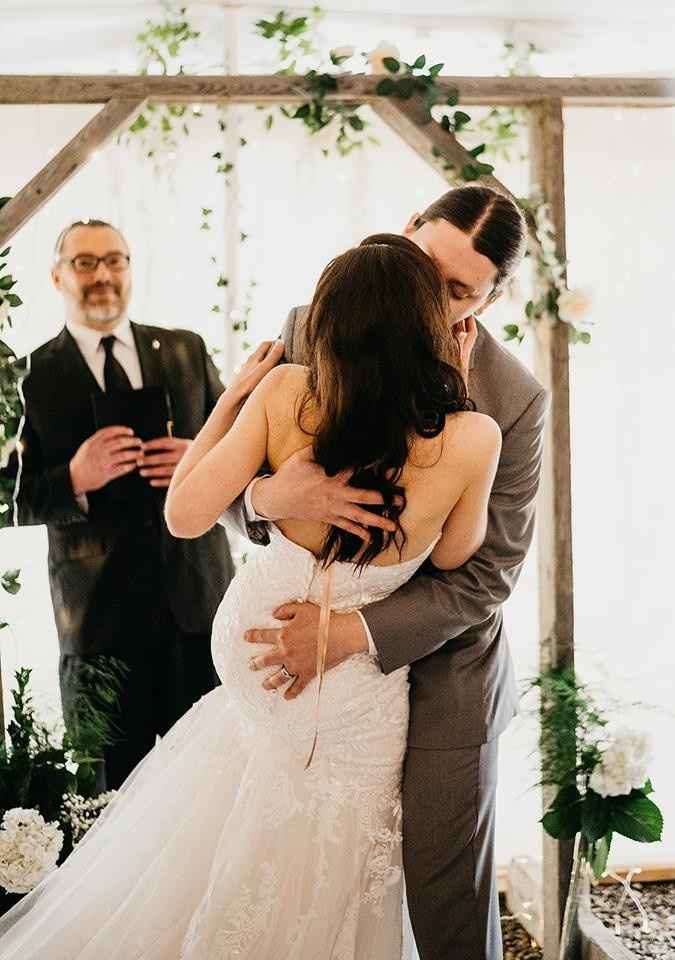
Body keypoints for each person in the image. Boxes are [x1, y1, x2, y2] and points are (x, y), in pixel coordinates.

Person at [0, 234, 501, 959]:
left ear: (328, 322)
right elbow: (455, 556)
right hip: (356, 707)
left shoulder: (285, 394)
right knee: (326, 877)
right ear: (432, 325)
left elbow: (184, 514)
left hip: (255, 687)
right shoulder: (474, 438)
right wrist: (455, 394)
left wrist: (231, 400)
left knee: (209, 868)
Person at [234, 185, 549, 960]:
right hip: (305, 682)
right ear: (403, 230)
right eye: (423, 266)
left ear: (492, 299)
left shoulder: (513, 399)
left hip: (444, 676)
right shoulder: (316, 325)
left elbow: (487, 574)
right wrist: (271, 497)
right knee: (293, 883)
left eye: (458, 291)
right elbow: (226, 482)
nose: (426, 299)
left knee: (444, 908)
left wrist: (350, 632)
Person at [2, 219, 234, 791]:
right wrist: (72, 478)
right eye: (84, 263)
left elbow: (247, 447)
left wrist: (200, 457)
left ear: (130, 269)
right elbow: (5, 494)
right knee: (110, 798)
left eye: (114, 260)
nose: (102, 274)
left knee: (210, 786)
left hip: (197, 610)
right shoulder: (26, 376)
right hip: (97, 626)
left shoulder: (185, 350)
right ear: (57, 276)